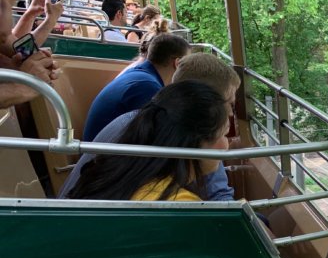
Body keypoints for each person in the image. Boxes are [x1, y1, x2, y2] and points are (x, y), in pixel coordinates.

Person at [60, 52, 239, 200]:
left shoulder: (144, 123)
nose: (231, 113)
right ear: (203, 103)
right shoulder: (175, 199)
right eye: (229, 104)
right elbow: (219, 199)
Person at [82, 33, 190, 141]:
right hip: (100, 155)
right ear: (178, 63)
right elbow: (156, 137)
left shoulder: (139, 76)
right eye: (187, 62)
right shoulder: (146, 87)